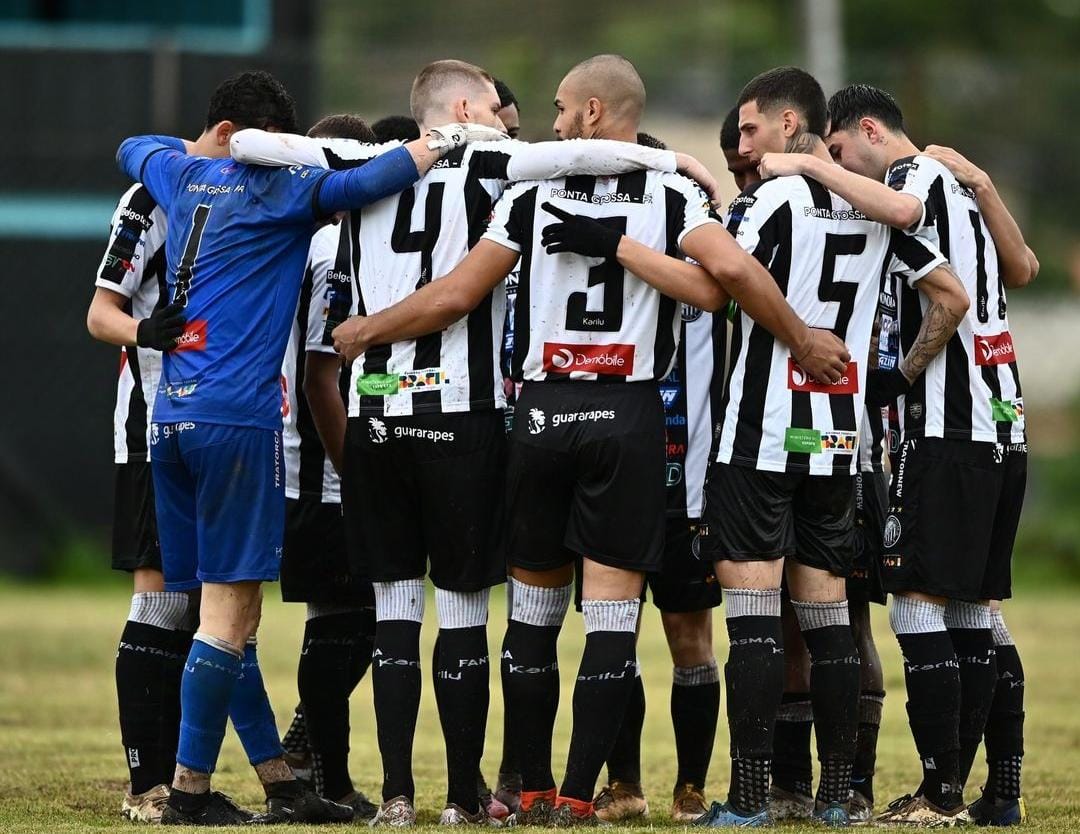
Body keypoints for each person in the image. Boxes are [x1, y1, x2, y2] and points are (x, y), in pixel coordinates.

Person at [326, 54, 851, 827]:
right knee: (611, 618)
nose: (556, 123)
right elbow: (716, 285)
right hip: (628, 420)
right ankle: (577, 796)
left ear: (597, 113)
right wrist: (641, 254)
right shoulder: (674, 194)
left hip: (543, 416)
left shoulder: (530, 191)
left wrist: (367, 331)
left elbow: (464, 291)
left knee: (532, 618)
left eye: (565, 110)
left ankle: (529, 786)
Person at [232, 57, 714, 827]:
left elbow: (261, 145)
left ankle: (397, 797)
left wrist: (209, 147)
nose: (513, 120)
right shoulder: (495, 164)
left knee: (394, 609)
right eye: (496, 107)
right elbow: (577, 157)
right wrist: (668, 158)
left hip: (380, 416)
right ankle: (469, 796)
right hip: (469, 415)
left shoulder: (362, 161)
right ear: (462, 110)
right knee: (462, 612)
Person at [115, 68, 502, 825]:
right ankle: (190, 794)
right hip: (238, 420)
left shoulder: (181, 172)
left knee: (228, 616)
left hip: (170, 416)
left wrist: (216, 149)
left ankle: (279, 782)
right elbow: (373, 177)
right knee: (229, 614)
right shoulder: (281, 193)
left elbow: (135, 145)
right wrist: (447, 138)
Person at [693, 66, 967, 828]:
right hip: (841, 438)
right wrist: (895, 378)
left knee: (751, 619)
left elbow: (718, 281)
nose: (742, 144)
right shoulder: (873, 208)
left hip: (761, 435)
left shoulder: (771, 201)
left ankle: (749, 802)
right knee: (829, 620)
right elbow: (947, 291)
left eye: (751, 128)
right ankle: (838, 797)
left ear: (791, 124)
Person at [760, 83, 1037, 826]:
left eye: (846, 152)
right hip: (1004, 422)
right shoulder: (959, 185)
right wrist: (981, 180)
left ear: (870, 131)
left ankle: (940, 793)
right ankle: (999, 791)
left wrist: (898, 378)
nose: (847, 169)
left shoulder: (912, 185)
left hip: (947, 427)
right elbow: (1023, 269)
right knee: (978, 615)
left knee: (917, 608)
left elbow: (943, 287)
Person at [589, 132, 726, 826]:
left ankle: (692, 787)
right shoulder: (593, 268)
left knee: (690, 640)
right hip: (614, 479)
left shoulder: (698, 261)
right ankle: (626, 784)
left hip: (686, 488)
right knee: (613, 636)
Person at [275, 113, 380, 820]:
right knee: (351, 619)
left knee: (348, 617)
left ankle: (308, 751)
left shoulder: (306, 240)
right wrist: (357, 474)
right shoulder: (329, 246)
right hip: (321, 466)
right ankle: (325, 777)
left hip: (306, 459)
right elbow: (321, 376)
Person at [87, 168, 188, 824]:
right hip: (153, 431)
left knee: (200, 609)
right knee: (159, 599)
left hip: (216, 431)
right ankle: (144, 783)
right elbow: (101, 314)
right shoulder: (153, 196)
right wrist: (146, 333)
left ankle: (179, 782)